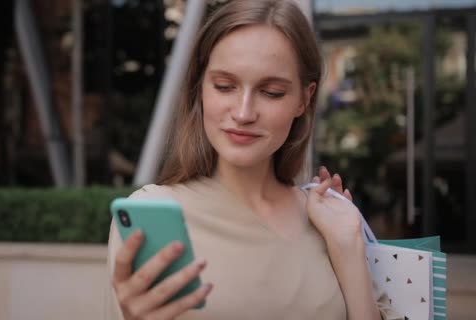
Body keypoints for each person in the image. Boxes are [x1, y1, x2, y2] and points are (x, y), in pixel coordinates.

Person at [105, 1, 402, 319]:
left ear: (304, 98)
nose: (243, 113)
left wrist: (349, 247)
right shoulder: (152, 213)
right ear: (200, 88)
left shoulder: (329, 220)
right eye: (224, 86)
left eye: (271, 92)